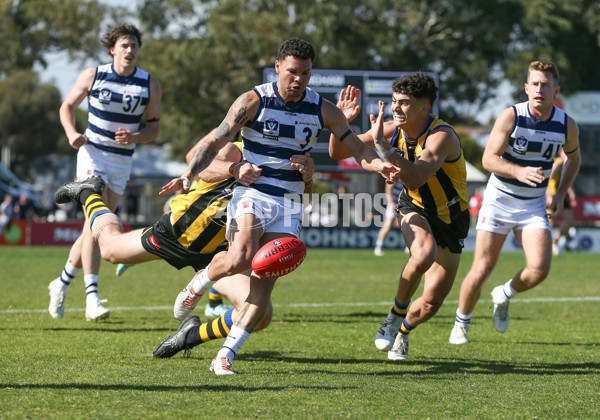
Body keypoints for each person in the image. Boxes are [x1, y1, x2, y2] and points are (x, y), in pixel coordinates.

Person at [161, 37, 398, 374]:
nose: (298, 79)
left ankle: (225, 355)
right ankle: (199, 284)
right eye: (291, 72)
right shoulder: (253, 100)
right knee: (240, 257)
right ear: (277, 68)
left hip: (289, 202)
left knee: (263, 280)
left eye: (305, 73)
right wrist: (189, 174)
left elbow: (358, 150)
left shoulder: (323, 109)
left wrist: (380, 165)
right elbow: (216, 138)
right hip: (253, 193)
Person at [55, 139, 315, 373]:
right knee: (110, 249)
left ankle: (190, 337)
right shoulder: (240, 146)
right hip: (181, 230)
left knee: (261, 313)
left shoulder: (292, 166)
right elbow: (199, 164)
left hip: (218, 253)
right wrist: (234, 170)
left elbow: (297, 205)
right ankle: (88, 192)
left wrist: (308, 180)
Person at [330, 75, 469, 360]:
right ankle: (394, 316)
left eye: (405, 103)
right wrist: (341, 124)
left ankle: (402, 333)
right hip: (414, 207)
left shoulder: (442, 136)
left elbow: (417, 175)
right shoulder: (392, 130)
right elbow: (336, 152)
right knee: (422, 255)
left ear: (424, 108)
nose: (396, 108)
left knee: (432, 302)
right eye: (394, 101)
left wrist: (382, 145)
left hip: (452, 218)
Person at [449, 61, 581, 345]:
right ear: (526, 87)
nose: (539, 90)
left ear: (555, 90)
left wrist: (559, 195)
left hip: (533, 206)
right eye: (534, 84)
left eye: (545, 85)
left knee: (539, 269)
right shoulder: (511, 117)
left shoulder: (566, 124)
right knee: (482, 268)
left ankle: (504, 293)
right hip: (498, 201)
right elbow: (488, 159)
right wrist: (518, 170)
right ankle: (462, 322)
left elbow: (574, 158)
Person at [48, 23, 162, 321]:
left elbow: (154, 129)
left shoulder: (150, 84)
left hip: (122, 162)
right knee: (95, 222)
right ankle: (92, 297)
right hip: (92, 154)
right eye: (124, 45)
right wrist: (71, 133)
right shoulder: (93, 75)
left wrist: (135, 137)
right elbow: (66, 106)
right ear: (112, 48)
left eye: (134, 46)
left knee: (96, 229)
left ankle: (60, 284)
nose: (130, 50)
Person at [548, 152, 577, 256]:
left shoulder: (566, 164)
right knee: (549, 223)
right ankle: (545, 245)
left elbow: (566, 181)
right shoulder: (557, 163)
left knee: (569, 220)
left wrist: (572, 194)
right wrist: (547, 195)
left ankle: (555, 240)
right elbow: (548, 179)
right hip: (553, 196)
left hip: (562, 196)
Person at [373, 180, 404, 256]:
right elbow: (388, 190)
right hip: (393, 204)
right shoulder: (395, 174)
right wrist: (391, 203)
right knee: (387, 225)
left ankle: (409, 247)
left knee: (407, 225)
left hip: (404, 205)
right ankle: (378, 247)